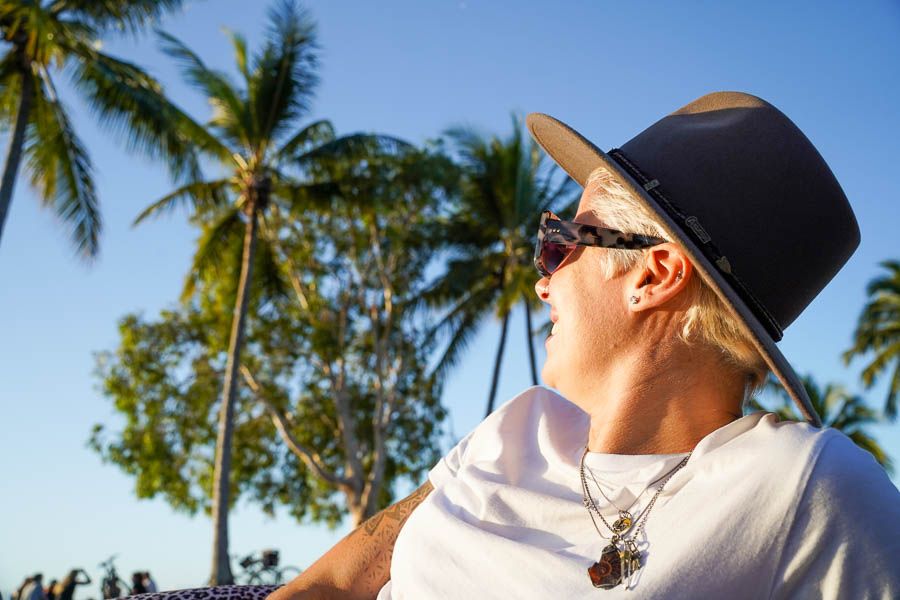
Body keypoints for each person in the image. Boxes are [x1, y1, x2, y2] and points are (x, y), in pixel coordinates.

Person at [268, 92, 900, 599]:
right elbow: (327, 587)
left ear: (653, 276)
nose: (543, 280)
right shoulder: (512, 434)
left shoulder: (804, 486)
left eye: (563, 240)